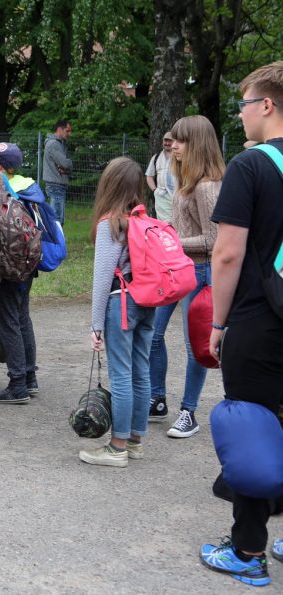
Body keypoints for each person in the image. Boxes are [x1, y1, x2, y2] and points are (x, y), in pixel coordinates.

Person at [199, 61, 283, 588]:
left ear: (268, 105)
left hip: (260, 320)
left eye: (246, 104)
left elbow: (227, 254)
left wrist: (219, 322)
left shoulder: (250, 166)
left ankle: (249, 550)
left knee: (254, 429)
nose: (241, 113)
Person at [147, 115, 223, 438]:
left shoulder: (206, 186)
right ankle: (157, 398)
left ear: (197, 145)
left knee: (195, 347)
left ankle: (188, 411)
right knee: (152, 334)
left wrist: (172, 240)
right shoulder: (185, 180)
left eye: (180, 141)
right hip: (176, 268)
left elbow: (214, 240)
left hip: (198, 271)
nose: (173, 146)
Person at [79, 157, 154, 467]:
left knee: (120, 375)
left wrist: (96, 324)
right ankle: (135, 440)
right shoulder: (142, 219)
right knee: (141, 369)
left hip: (120, 303)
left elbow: (102, 280)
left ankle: (117, 447)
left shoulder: (111, 223)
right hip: (147, 301)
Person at [0, 141, 42, 404]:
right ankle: (30, 378)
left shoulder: (3, 187)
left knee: (9, 320)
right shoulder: (28, 186)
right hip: (28, 264)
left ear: (2, 167)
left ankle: (17, 384)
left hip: (10, 264)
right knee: (22, 317)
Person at [42, 119, 73, 225]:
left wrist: (66, 166)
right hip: (55, 186)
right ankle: (55, 241)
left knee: (59, 218)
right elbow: (66, 163)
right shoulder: (53, 144)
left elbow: (64, 165)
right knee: (56, 219)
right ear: (60, 129)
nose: (69, 134)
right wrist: (68, 164)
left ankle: (56, 240)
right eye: (67, 131)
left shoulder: (60, 144)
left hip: (58, 185)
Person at [145, 131, 176, 222]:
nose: (167, 143)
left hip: (177, 195)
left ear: (174, 142)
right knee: (164, 224)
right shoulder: (156, 157)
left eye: (169, 141)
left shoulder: (180, 157)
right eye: (165, 141)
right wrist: (155, 190)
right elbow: (149, 176)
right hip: (161, 197)